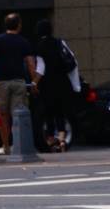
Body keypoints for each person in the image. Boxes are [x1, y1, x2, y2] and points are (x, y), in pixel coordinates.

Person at [0, 13, 36, 154]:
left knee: (3, 115)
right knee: (17, 114)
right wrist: (34, 81)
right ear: (18, 25)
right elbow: (31, 63)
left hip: (1, 81)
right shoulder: (23, 42)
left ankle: (6, 146)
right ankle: (18, 145)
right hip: (18, 81)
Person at [32, 19, 81, 153]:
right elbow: (71, 59)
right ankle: (62, 139)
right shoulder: (59, 42)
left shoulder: (39, 46)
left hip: (47, 84)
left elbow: (41, 68)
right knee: (60, 112)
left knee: (48, 113)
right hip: (62, 82)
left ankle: (51, 142)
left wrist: (34, 82)